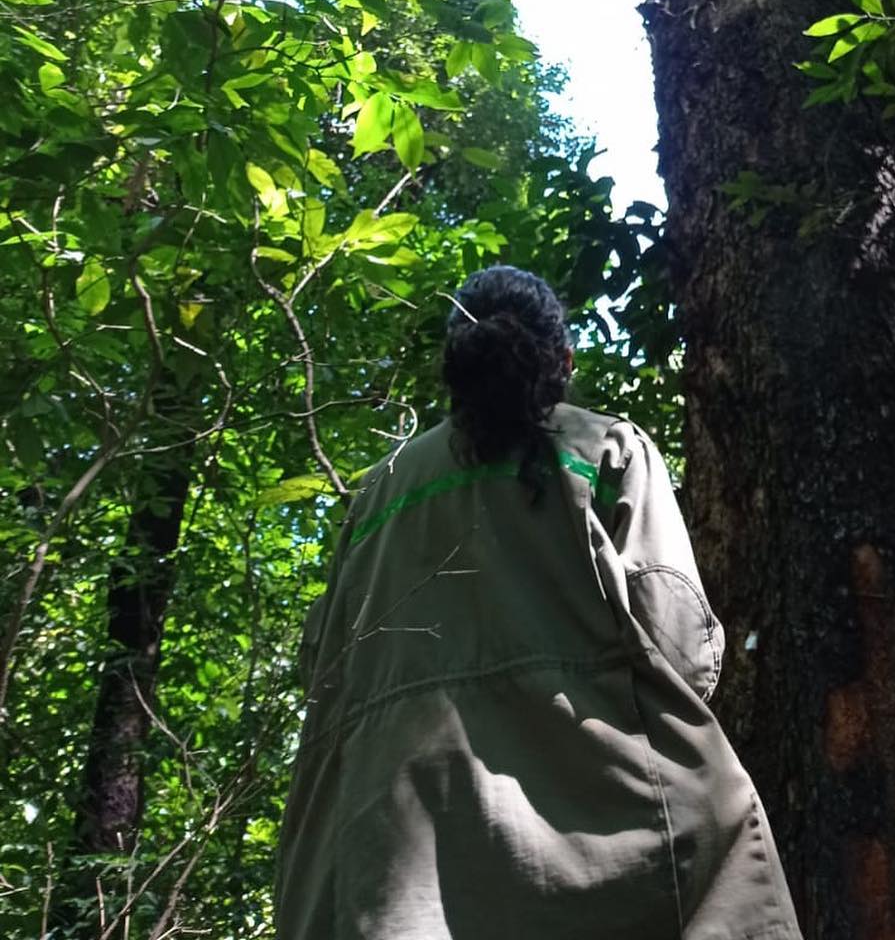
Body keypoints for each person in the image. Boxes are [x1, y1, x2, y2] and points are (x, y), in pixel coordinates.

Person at [276, 265, 802, 940]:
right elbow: (677, 641)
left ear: (452, 366)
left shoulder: (380, 492)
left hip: (392, 858)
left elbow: (321, 668)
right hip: (611, 835)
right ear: (565, 357)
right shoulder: (606, 448)